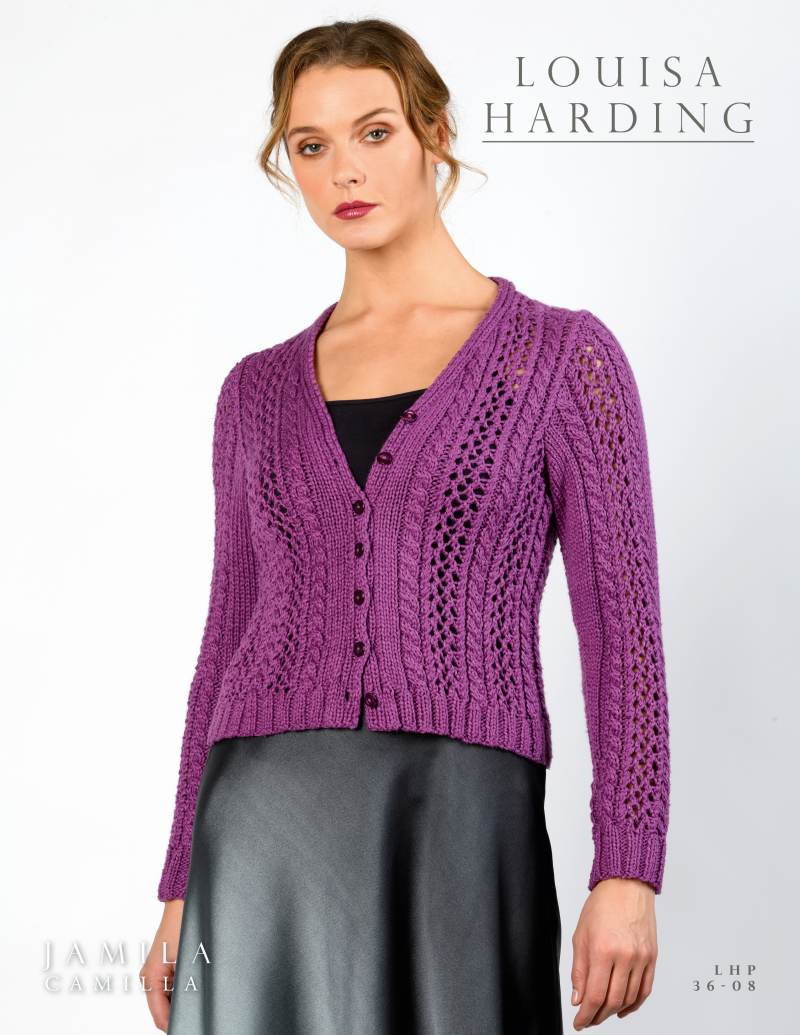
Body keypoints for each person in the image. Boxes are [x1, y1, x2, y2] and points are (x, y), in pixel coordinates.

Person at [140, 17, 670, 1035]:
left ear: (434, 133)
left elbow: (625, 640)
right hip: (258, 822)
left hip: (461, 813)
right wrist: (176, 886)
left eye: (374, 131)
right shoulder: (253, 392)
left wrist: (627, 867)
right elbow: (225, 640)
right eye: (311, 145)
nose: (345, 169)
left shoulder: (561, 361)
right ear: (288, 164)